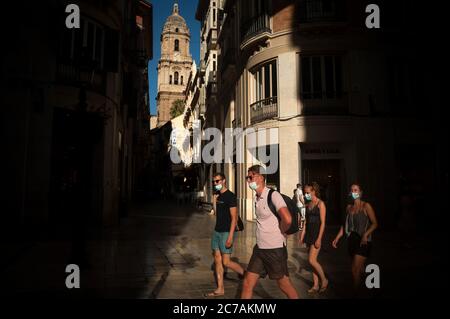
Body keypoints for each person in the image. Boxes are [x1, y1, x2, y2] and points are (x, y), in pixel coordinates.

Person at [241, 165, 299, 299]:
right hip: (260, 248)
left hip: (274, 249)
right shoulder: (257, 197)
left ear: (261, 177)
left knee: (284, 285)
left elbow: (288, 219)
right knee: (247, 283)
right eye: (247, 177)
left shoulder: (273, 195)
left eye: (251, 177)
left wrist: (282, 230)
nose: (248, 180)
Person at [332, 183, 378, 293]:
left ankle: (356, 292)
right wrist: (337, 238)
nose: (354, 192)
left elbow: (375, 223)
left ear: (360, 192)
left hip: (363, 241)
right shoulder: (349, 207)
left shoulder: (366, 206)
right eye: (352, 190)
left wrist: (366, 234)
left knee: (354, 269)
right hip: (352, 240)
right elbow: (345, 225)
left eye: (356, 190)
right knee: (360, 268)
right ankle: (368, 287)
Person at [205, 173, 245, 297]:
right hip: (217, 231)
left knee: (226, 262)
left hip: (226, 232)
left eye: (217, 181)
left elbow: (234, 218)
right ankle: (220, 288)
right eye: (214, 182)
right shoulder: (217, 196)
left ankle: (246, 274)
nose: (215, 184)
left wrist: (230, 236)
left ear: (224, 181)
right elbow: (217, 215)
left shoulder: (230, 196)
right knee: (217, 260)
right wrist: (214, 203)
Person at [299, 182, 329, 293]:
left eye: (307, 192)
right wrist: (302, 234)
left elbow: (323, 223)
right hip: (309, 234)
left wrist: (319, 239)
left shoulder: (321, 204)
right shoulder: (308, 205)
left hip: (317, 234)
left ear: (314, 191)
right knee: (313, 262)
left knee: (311, 260)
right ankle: (316, 285)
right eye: (305, 192)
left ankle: (324, 280)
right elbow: (306, 222)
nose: (306, 194)